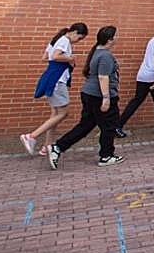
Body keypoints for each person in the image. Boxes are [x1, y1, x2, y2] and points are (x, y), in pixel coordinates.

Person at [48, 26, 122, 169]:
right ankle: (106, 155)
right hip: (99, 95)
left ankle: (58, 147)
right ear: (110, 39)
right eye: (116, 35)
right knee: (109, 126)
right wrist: (106, 98)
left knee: (85, 125)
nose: (117, 38)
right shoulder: (105, 55)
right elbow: (102, 77)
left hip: (89, 94)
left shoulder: (98, 52)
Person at [22, 23, 88, 156]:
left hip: (51, 79)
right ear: (74, 32)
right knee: (63, 113)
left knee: (55, 115)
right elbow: (55, 56)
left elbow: (45, 57)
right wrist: (71, 58)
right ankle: (31, 136)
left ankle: (47, 146)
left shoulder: (56, 40)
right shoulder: (64, 41)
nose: (79, 41)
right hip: (58, 81)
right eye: (79, 38)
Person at [116, 20, 154, 137]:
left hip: (143, 74)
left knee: (136, 101)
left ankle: (118, 125)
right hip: (153, 76)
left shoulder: (153, 40)